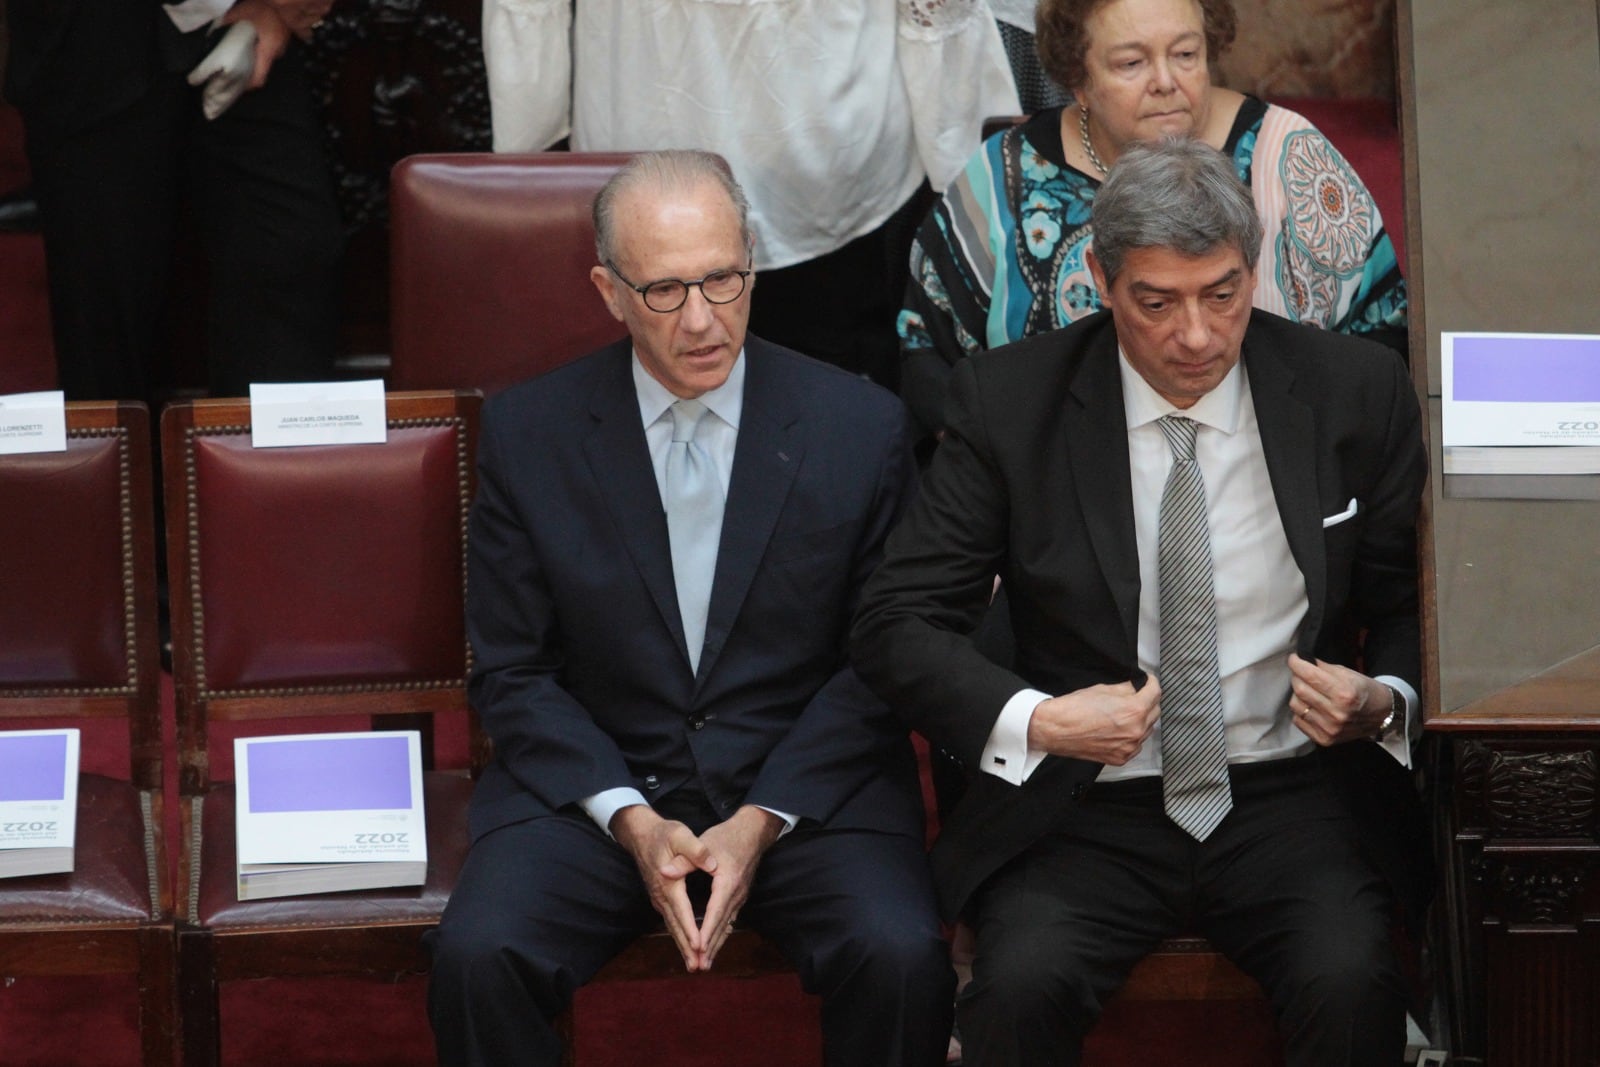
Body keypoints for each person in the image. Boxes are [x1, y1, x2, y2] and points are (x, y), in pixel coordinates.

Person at [851, 137, 1429, 1065]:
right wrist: (1037, 720)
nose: (1195, 335)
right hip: (1085, 807)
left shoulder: (1353, 392)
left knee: (1352, 976)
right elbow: (896, 621)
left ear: (1254, 268)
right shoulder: (1011, 402)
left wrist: (1384, 700)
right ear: (1101, 278)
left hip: (1286, 792)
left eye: (1222, 294)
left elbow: (1411, 600)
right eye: (1156, 302)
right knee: (1018, 991)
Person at [427, 150, 953, 1067]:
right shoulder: (528, 434)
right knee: (479, 957)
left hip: (804, 789)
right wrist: (630, 816)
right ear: (608, 290)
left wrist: (760, 819)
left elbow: (886, 658)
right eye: (666, 291)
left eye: (724, 278)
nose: (704, 319)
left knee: (901, 953)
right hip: (601, 784)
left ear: (753, 261)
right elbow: (513, 670)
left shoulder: (858, 427)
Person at [898, 0, 1408, 442]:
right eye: (1131, 62)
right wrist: (1006, 472)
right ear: (1079, 77)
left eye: (1186, 55)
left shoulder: (1286, 156)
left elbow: (1385, 332)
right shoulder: (1004, 179)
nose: (1166, 82)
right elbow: (926, 348)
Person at [484, 0, 1020, 388]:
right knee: (649, 408)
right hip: (663, 150)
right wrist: (520, 167)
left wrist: (963, 170)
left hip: (834, 166)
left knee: (828, 422)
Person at [3, 0, 341, 401]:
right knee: (104, 296)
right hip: (92, 32)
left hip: (246, 21)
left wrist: (274, 11)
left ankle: (270, 459)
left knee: (291, 245)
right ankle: (120, 462)